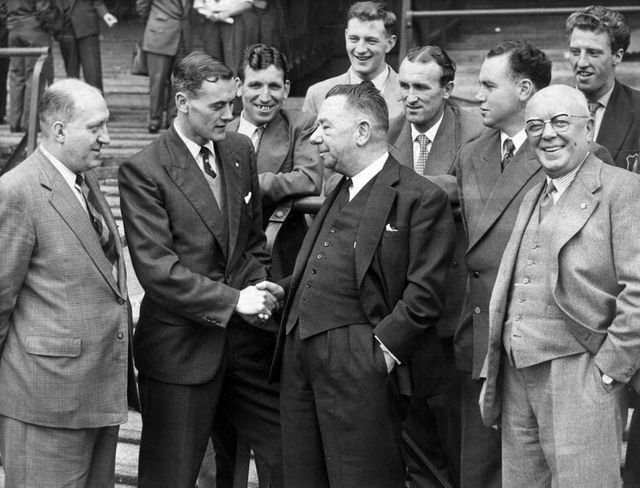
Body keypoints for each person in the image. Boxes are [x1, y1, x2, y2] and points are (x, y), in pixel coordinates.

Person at [274, 82, 456, 488]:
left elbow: (424, 293)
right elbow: (328, 263)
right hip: (299, 355)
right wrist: (285, 291)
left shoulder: (419, 197)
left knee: (361, 478)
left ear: (361, 132)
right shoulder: (339, 186)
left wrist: (382, 354)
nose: (315, 137)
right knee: (304, 476)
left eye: (325, 126)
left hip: (360, 361)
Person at [118, 51, 285, 488]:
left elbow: (250, 242)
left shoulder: (238, 149)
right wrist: (235, 301)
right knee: (170, 477)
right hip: (182, 352)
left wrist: (259, 287)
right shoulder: (144, 169)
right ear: (182, 101)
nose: (230, 115)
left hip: (248, 346)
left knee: (289, 456)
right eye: (217, 106)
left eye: (232, 103)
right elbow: (159, 271)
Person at [480, 84, 640, 488]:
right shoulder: (534, 193)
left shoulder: (623, 190)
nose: (547, 133)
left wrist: (608, 373)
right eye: (535, 125)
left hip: (580, 373)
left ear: (588, 127)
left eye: (560, 122)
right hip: (516, 375)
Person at [0, 78, 138, 487]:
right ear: (59, 131)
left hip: (96, 394)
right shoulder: (16, 191)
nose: (106, 138)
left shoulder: (82, 178)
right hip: (44, 406)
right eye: (95, 128)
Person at [455, 40, 552, 488]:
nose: (478, 95)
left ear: (525, 90)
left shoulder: (566, 154)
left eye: (489, 85)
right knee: (478, 471)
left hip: (537, 344)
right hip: (478, 338)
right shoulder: (472, 153)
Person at [388, 44, 482, 488]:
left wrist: (395, 185)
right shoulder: (388, 133)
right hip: (402, 307)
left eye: (421, 87)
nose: (410, 96)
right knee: (415, 438)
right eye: (403, 85)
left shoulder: (475, 132)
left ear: (448, 88)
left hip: (454, 309)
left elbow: (470, 190)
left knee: (458, 436)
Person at [230, 43, 322, 278]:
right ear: (238, 87)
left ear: (286, 89)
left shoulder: (301, 125)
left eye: (273, 86)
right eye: (255, 85)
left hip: (281, 255)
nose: (265, 96)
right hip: (228, 255)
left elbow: (309, 179)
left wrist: (242, 185)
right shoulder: (221, 133)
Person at [566, 5, 640, 170]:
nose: (582, 62)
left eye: (593, 53)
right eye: (575, 52)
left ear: (617, 56)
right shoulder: (549, 108)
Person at [302, 1, 402, 120]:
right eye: (353, 39)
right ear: (345, 36)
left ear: (390, 43)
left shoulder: (408, 93)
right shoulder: (317, 95)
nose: (360, 49)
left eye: (371, 41)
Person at [137, 0, 192, 133]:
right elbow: (142, 6)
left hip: (182, 35)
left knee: (179, 80)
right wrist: (154, 23)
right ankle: (155, 119)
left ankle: (173, 118)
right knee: (157, 80)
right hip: (159, 33)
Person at [7, 0, 54, 132]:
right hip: (34, 29)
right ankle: (29, 123)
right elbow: (43, 9)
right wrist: (50, 26)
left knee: (16, 77)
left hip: (14, 30)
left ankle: (15, 122)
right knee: (33, 76)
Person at [55, 0, 118, 92]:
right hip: (64, 29)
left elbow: (97, 2)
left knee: (93, 75)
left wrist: (104, 14)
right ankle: (73, 105)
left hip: (87, 27)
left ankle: (96, 104)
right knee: (71, 77)